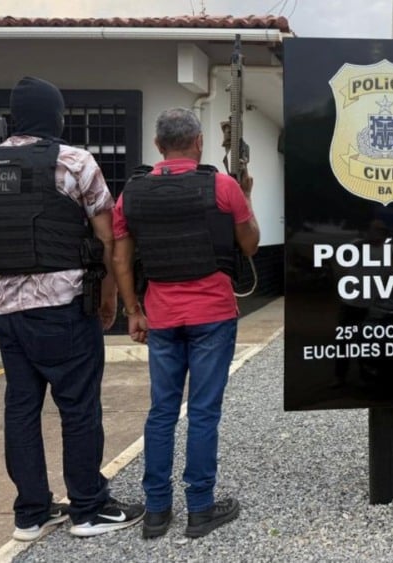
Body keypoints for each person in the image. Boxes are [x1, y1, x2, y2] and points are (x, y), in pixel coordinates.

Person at [0, 76, 145, 541]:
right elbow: (106, 236)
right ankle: (88, 508)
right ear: (56, 117)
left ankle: (31, 513)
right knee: (78, 406)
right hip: (62, 304)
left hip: (3, 307)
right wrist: (109, 296)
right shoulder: (74, 161)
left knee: (21, 408)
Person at [111, 108, 260, 539]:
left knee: (162, 411)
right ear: (199, 142)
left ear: (158, 145)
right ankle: (199, 508)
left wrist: (133, 311)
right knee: (202, 412)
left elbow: (121, 259)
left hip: (161, 315)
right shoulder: (222, 186)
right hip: (213, 314)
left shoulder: (132, 193)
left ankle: (157, 512)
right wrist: (246, 196)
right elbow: (250, 244)